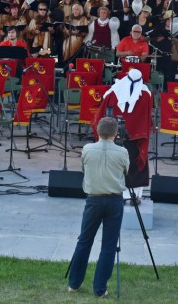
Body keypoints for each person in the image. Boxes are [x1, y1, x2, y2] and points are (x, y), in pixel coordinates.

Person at [67, 117, 129, 298]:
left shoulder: (87, 149)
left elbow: (84, 169)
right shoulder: (122, 152)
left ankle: (74, 283)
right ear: (116, 133)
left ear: (97, 131)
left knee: (84, 241)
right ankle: (100, 288)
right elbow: (126, 171)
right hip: (114, 201)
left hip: (93, 200)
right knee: (109, 245)